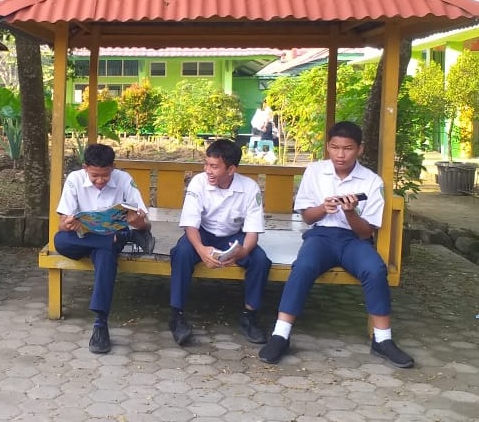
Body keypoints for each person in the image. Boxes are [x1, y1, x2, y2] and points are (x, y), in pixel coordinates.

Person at [258, 121, 414, 368]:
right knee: (303, 266)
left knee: (375, 269)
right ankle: (281, 335)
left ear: (360, 149)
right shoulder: (315, 171)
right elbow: (307, 218)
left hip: (354, 240)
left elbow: (365, 232)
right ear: (328, 147)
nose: (340, 154)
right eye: (335, 147)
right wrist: (323, 208)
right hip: (321, 236)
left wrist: (350, 212)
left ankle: (383, 339)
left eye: (348, 148)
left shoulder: (371, 181)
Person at [168, 138, 271, 345]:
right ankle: (176, 315)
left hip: (233, 236)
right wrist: (201, 249)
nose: (208, 170)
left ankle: (249, 316)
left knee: (260, 260)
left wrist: (243, 251)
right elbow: (190, 224)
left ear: (231, 169)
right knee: (181, 253)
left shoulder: (250, 188)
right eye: (206, 164)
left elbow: (252, 232)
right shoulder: (198, 182)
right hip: (203, 233)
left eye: (214, 166)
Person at [54, 143, 154, 354]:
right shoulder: (74, 179)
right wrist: (68, 224)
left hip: (110, 236)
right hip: (86, 237)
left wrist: (137, 223)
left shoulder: (124, 180)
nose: (100, 181)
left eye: (105, 176)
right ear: (85, 168)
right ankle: (122, 238)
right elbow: (61, 225)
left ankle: (101, 324)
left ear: (113, 167)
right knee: (60, 241)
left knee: (106, 255)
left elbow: (145, 224)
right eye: (94, 176)